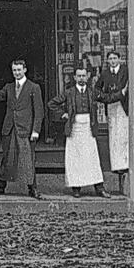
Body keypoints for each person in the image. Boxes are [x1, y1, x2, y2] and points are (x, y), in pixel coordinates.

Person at [0, 58, 44, 200]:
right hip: (10, 128)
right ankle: (0, 185)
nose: (16, 73)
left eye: (19, 70)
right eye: (14, 70)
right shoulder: (9, 87)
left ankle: (32, 188)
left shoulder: (33, 87)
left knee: (28, 159)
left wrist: (35, 130)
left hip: (26, 130)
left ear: (25, 70)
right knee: (7, 158)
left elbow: (39, 111)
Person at [49, 63, 109, 199]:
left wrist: (122, 92)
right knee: (75, 158)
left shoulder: (92, 91)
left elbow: (107, 98)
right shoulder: (69, 92)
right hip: (74, 127)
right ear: (75, 77)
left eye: (84, 75)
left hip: (89, 126)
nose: (81, 78)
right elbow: (52, 104)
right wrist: (63, 114)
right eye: (79, 76)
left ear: (87, 77)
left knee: (92, 157)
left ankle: (99, 188)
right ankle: (76, 188)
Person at [94, 48, 134, 196]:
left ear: (119, 60)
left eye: (115, 58)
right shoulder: (105, 74)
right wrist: (110, 97)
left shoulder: (126, 71)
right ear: (108, 61)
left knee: (125, 139)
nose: (113, 61)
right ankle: (118, 168)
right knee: (115, 140)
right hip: (113, 109)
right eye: (111, 59)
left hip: (125, 109)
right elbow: (97, 91)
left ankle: (126, 170)